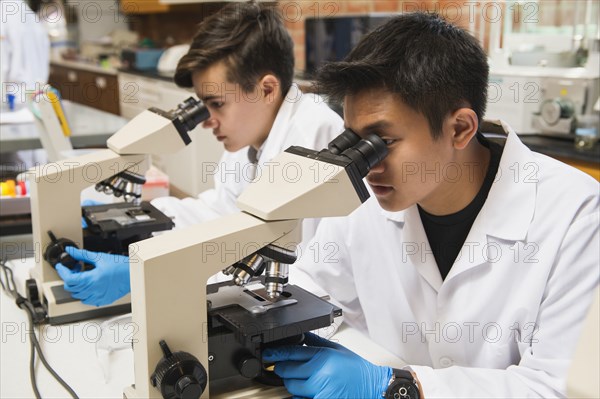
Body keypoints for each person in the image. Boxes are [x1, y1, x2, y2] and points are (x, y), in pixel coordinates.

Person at [264, 12, 600, 398]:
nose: (366, 163)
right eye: (354, 140)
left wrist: (401, 388)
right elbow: (314, 288)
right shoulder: (371, 198)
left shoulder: (575, 213)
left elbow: (557, 387)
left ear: (460, 128)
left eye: (382, 142)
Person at [55, 2, 344, 306]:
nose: (206, 120)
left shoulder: (313, 136)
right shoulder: (254, 133)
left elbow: (293, 274)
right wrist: (137, 220)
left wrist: (145, 275)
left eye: (217, 103)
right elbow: (219, 213)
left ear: (267, 89)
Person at [0, 0, 50, 108]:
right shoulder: (29, 13)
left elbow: (2, 64)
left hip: (13, 100)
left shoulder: (3, 13)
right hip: (38, 96)